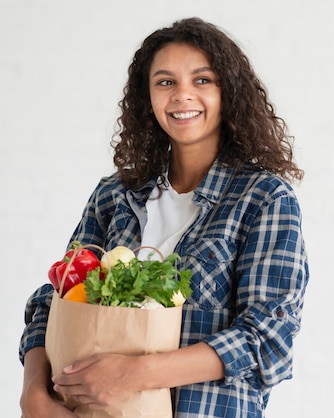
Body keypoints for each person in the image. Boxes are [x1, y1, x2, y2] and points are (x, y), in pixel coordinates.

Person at [19, 17, 309, 418]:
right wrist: (33, 394)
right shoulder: (114, 195)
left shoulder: (263, 199)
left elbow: (267, 337)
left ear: (230, 93)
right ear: (148, 97)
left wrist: (134, 374)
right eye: (165, 82)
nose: (181, 95)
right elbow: (53, 300)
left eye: (202, 80)